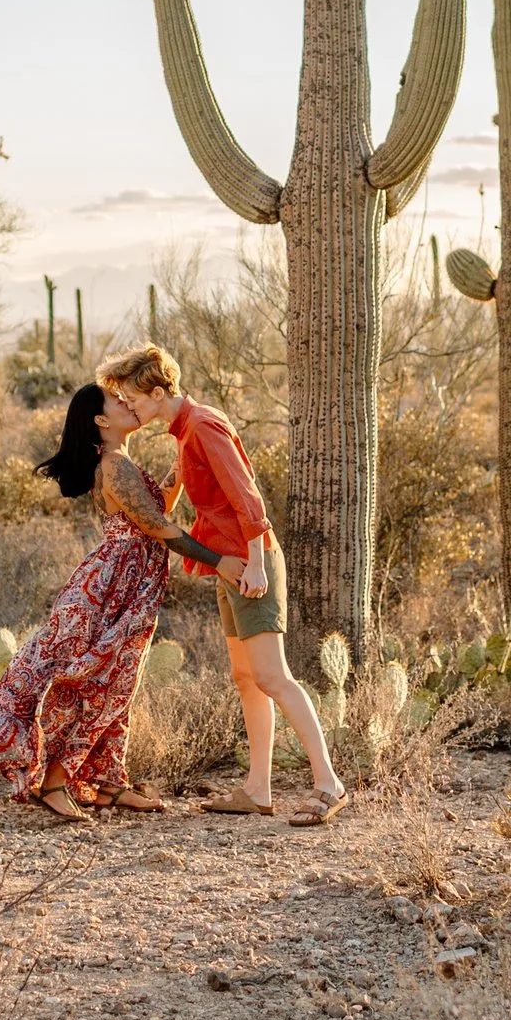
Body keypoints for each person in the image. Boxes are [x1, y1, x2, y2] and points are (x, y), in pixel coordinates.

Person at [96, 343, 350, 827]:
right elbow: (177, 499)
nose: (129, 407)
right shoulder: (184, 431)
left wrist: (254, 562)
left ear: (157, 392)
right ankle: (257, 790)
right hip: (231, 564)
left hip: (250, 562)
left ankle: (328, 784)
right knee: (246, 677)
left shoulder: (203, 424)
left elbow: (246, 495)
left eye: (133, 398)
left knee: (273, 676)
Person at [0, 383, 237, 822]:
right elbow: (158, 527)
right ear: (101, 420)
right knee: (101, 680)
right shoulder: (114, 465)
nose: (127, 403)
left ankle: (107, 783)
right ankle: (55, 782)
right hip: (112, 588)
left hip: (129, 583)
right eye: (117, 401)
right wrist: (220, 561)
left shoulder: (122, 462)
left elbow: (157, 506)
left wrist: (179, 466)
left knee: (120, 679)